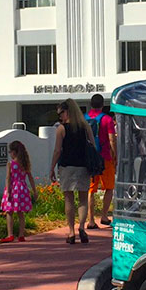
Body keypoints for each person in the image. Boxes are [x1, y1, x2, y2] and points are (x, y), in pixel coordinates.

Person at [49, 97, 97, 244]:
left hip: (67, 166)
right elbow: (93, 147)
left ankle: (71, 232)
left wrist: (51, 167)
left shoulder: (61, 129)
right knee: (83, 198)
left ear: (67, 111)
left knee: (69, 198)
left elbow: (57, 150)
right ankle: (82, 227)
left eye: (61, 113)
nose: (60, 116)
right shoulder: (85, 127)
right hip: (83, 165)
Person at [85, 93, 117, 229]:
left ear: (91, 104)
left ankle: (91, 220)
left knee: (91, 190)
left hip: (89, 158)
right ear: (103, 105)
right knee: (109, 187)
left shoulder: (84, 118)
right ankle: (104, 216)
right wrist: (115, 155)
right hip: (105, 157)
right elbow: (112, 139)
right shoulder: (107, 119)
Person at [0, 140, 36, 243]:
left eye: (10, 151)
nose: (10, 154)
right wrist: (34, 190)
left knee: (9, 211)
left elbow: (8, 178)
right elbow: (30, 178)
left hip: (13, 188)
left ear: (14, 152)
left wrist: (8, 191)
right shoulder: (25, 164)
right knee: (20, 213)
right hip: (22, 189)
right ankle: (21, 234)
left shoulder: (11, 164)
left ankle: (10, 234)